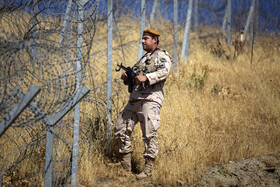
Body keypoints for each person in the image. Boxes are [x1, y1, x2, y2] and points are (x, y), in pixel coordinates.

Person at [114, 29, 172, 180]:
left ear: (155, 40)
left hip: (150, 100)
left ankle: (148, 169)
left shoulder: (162, 56)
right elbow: (135, 78)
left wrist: (146, 77)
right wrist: (127, 78)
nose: (143, 41)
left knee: (149, 133)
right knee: (121, 127)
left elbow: (164, 72)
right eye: (142, 38)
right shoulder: (142, 59)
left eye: (146, 38)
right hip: (135, 100)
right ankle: (125, 166)